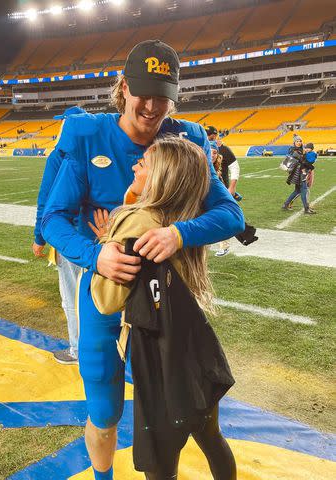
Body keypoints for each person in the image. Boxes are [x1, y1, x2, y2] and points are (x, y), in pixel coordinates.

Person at [41, 40, 244, 480]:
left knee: (180, 403)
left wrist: (177, 234)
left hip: (165, 301)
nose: (153, 107)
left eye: (164, 96)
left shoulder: (186, 137)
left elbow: (231, 214)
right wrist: (98, 255)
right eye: (143, 93)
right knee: (104, 407)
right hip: (107, 290)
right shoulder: (87, 134)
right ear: (123, 88)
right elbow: (53, 219)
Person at [90, 137, 236, 480]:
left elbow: (106, 299)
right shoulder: (185, 217)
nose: (135, 166)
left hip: (159, 356)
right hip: (197, 349)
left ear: (162, 177)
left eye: (144, 163)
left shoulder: (139, 220)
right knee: (211, 437)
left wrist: (105, 244)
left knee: (159, 463)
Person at [33, 105, 86, 365]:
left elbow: (46, 200)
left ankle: (77, 350)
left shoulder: (59, 156)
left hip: (68, 235)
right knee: (97, 296)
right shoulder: (95, 150)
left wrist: (39, 237)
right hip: (98, 235)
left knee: (71, 296)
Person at [207, 128, 241, 256]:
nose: (212, 155)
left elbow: (235, 168)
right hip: (205, 196)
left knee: (221, 219)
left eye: (210, 135)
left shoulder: (224, 152)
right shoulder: (201, 154)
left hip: (220, 194)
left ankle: (224, 245)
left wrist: (231, 188)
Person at [282, 136, 316, 214]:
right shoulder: (295, 151)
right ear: (294, 142)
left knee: (297, 190)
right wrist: (311, 166)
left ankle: (285, 205)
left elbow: (304, 161)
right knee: (304, 190)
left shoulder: (301, 150)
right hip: (299, 174)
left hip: (299, 173)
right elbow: (302, 162)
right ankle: (306, 209)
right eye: (297, 141)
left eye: (300, 141)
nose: (299, 142)